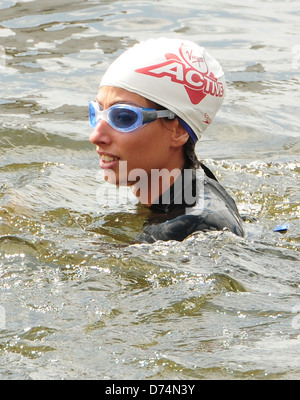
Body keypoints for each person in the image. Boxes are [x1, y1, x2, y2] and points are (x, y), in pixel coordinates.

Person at [89, 38, 244, 243]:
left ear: (178, 130)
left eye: (124, 117)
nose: (96, 136)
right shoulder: (201, 182)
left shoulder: (188, 230)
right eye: (96, 112)